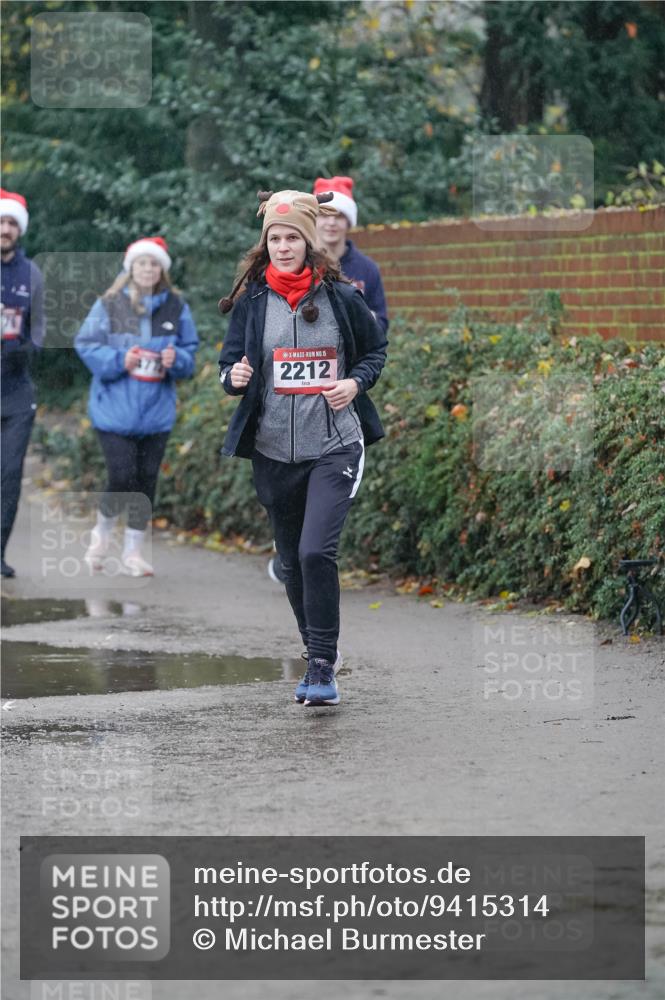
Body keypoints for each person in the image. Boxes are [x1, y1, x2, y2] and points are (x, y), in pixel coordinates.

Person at [218, 189, 387, 706]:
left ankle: (320, 663)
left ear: (309, 241)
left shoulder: (340, 296)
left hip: (334, 445)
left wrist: (355, 383)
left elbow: (376, 350)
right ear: (265, 243)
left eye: (293, 237)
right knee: (289, 561)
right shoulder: (252, 303)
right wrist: (235, 376)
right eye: (275, 238)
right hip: (272, 451)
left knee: (316, 551)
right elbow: (227, 366)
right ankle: (317, 648)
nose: (284, 246)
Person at [267, 175, 389, 584]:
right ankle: (295, 550)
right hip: (285, 418)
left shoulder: (363, 272)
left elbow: (379, 329)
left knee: (320, 528)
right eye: (326, 216)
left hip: (342, 395)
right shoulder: (284, 268)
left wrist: (353, 328)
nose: (332, 224)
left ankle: (314, 551)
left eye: (340, 216)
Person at [75, 236, 198, 576]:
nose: (148, 268)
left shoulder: (175, 307)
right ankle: (101, 534)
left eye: (154, 263)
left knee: (145, 480)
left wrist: (178, 359)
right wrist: (119, 358)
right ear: (131, 268)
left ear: (162, 269)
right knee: (122, 474)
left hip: (156, 413)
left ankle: (133, 551)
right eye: (142, 262)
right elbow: (85, 343)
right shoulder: (111, 304)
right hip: (113, 410)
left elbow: (190, 352)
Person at [1, 188, 45, 578]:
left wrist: (26, 347)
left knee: (9, 475)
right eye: (1, 221)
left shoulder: (31, 274)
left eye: (12, 223)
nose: (5, 228)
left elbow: (42, 328)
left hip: (15, 393)